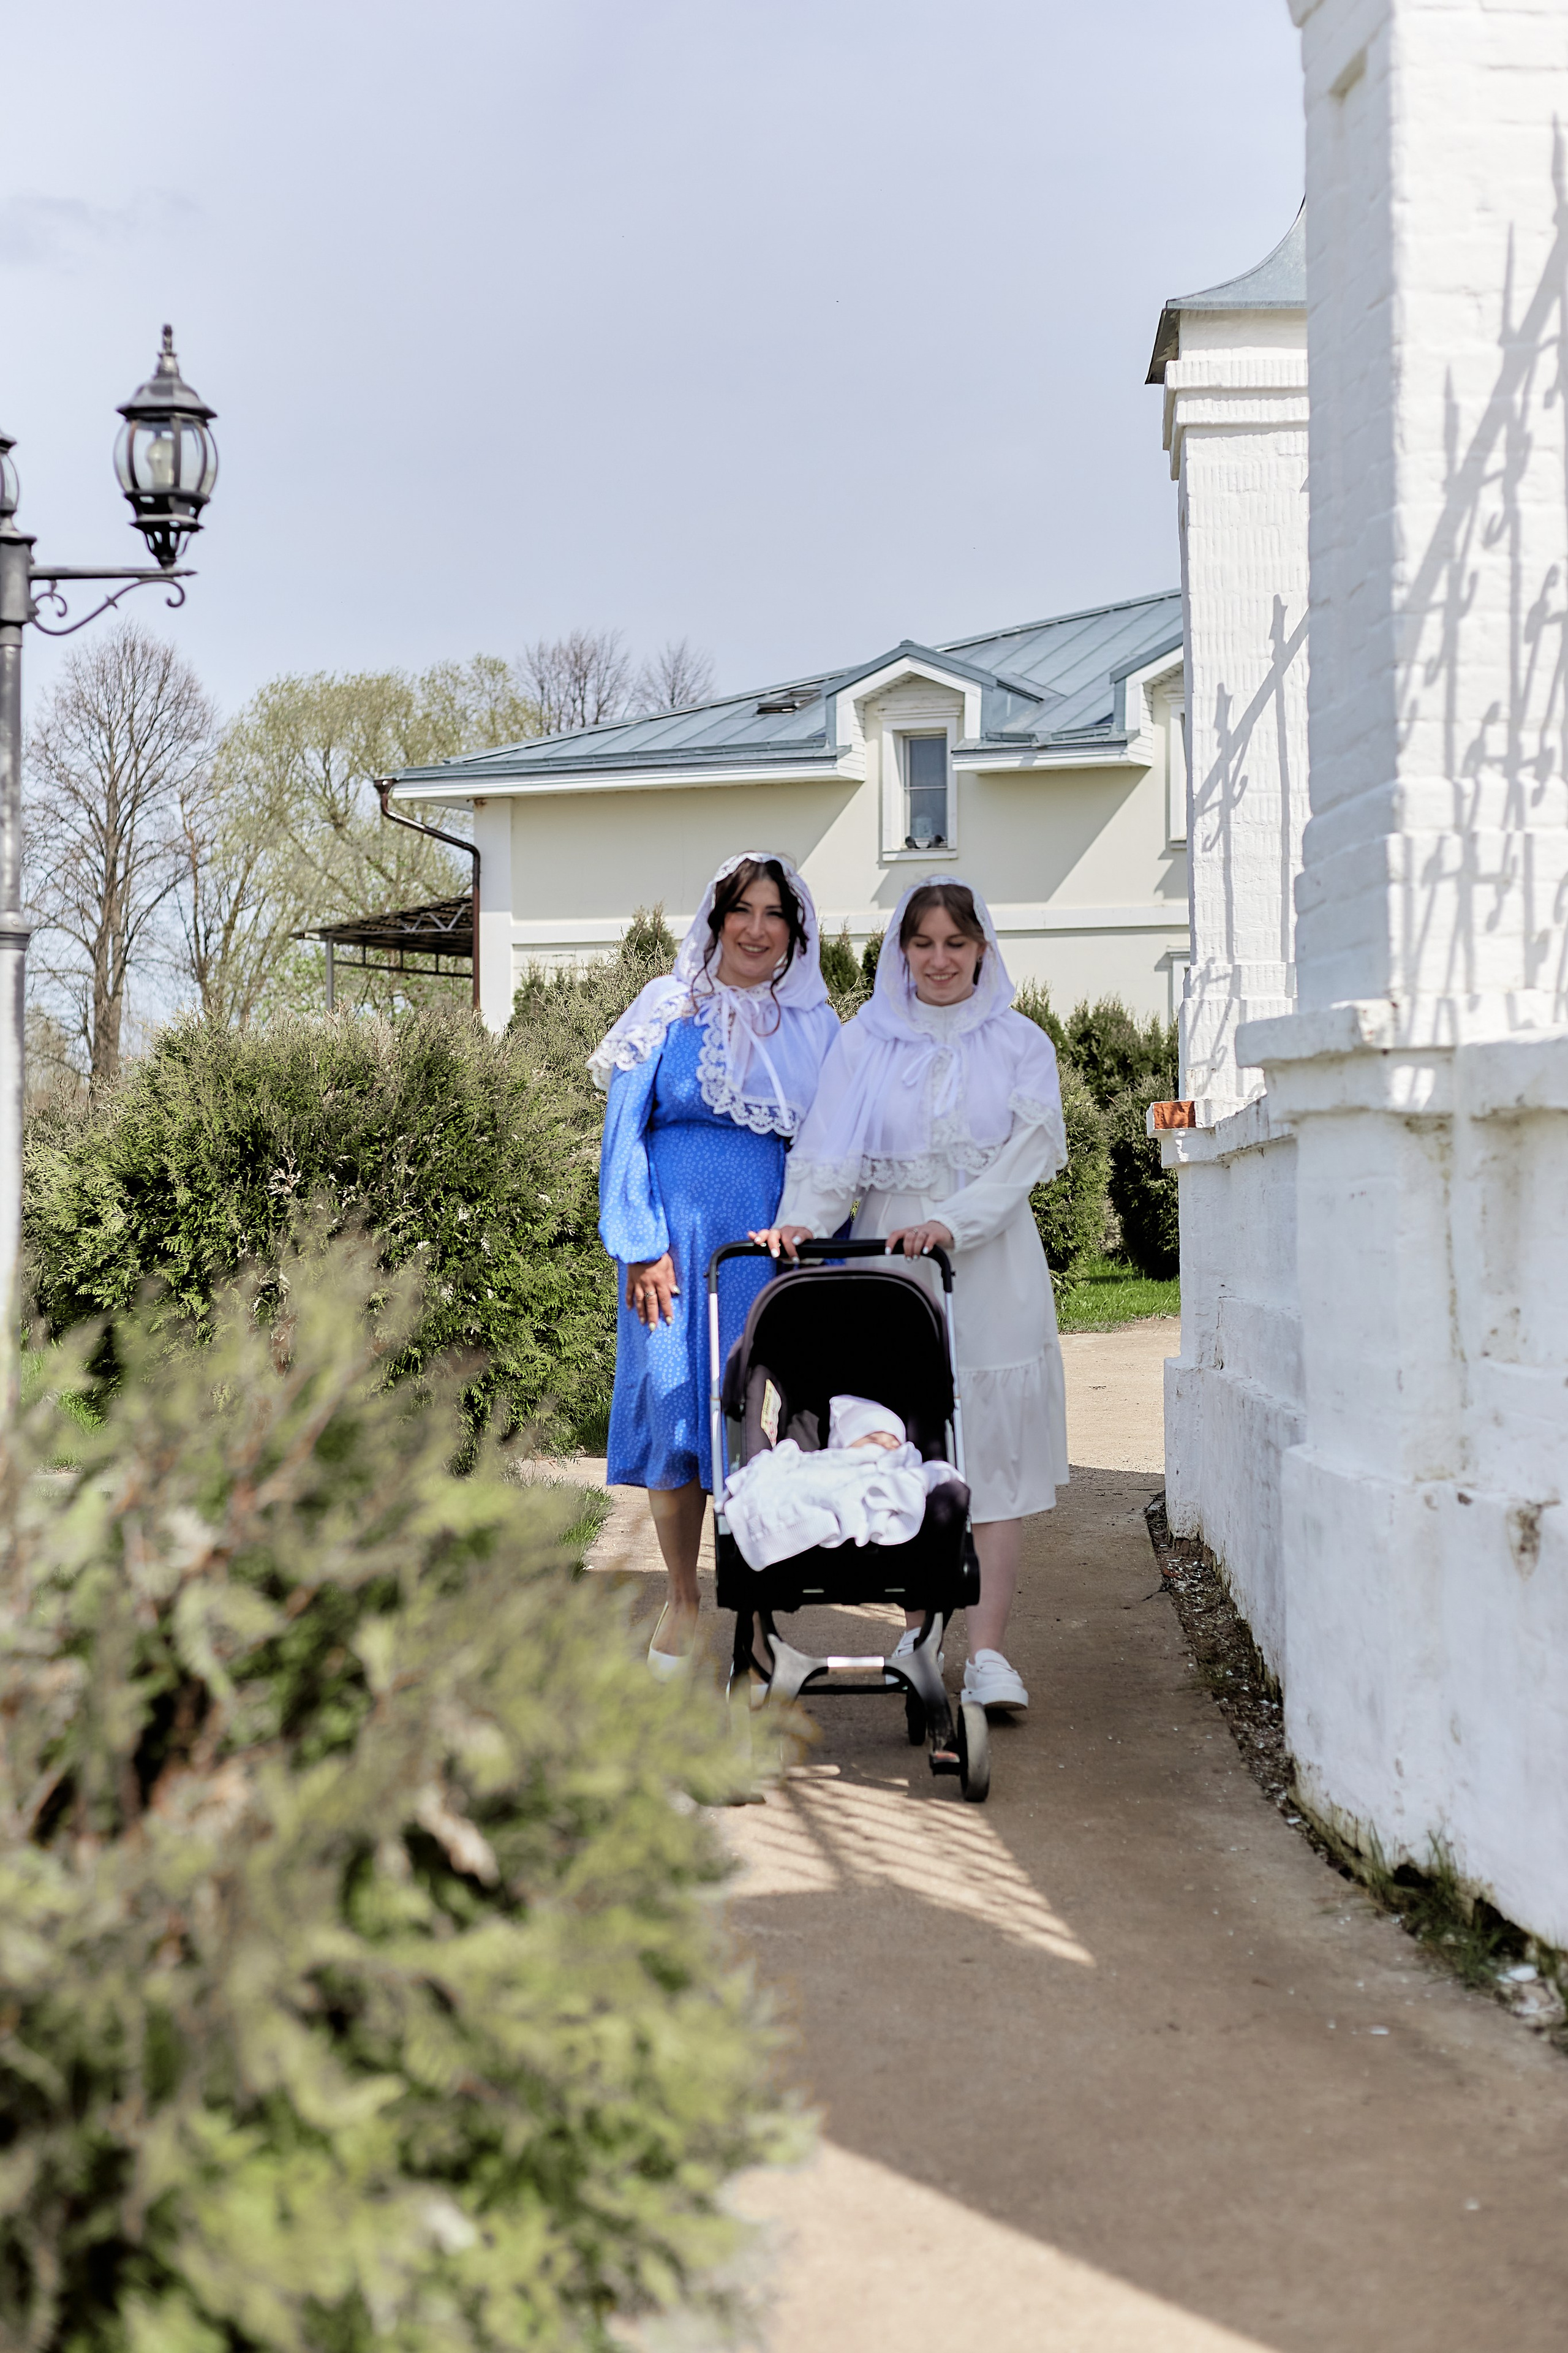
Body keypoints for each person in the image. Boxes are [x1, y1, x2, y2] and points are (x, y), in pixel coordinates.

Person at [753, 876, 1068, 1712]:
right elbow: (829, 1153)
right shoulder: (867, 1043)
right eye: (922, 943)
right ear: (902, 951)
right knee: (905, 1443)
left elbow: (1026, 1157)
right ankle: (919, 1626)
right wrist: (798, 1224)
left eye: (955, 944)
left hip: (988, 1258)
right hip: (892, 1263)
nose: (938, 959)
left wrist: (952, 1221)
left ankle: (990, 1651)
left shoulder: (1020, 1044)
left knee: (992, 1453)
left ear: (981, 950)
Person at [592, 852, 839, 1674]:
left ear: (792, 931)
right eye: (744, 909)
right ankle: (682, 1598)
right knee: (672, 1407)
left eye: (775, 914)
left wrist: (805, 1230)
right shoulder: (667, 1007)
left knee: (746, 1421)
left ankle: (757, 1617)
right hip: (669, 1245)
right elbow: (623, 1132)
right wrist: (639, 1245)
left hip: (757, 1250)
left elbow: (832, 1148)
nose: (757, 928)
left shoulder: (810, 1026)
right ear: (717, 916)